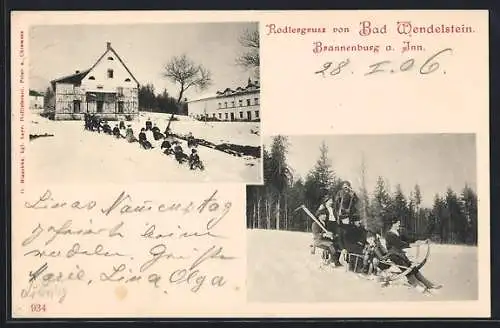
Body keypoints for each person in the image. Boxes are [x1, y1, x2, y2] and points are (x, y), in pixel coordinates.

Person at [384, 218, 442, 293]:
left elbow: (409, 239)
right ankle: (417, 285)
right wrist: (413, 245)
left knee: (413, 268)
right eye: (397, 223)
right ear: (393, 224)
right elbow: (400, 244)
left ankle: (429, 285)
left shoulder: (396, 233)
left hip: (400, 254)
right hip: (394, 255)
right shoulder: (389, 234)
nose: (399, 225)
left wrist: (421, 241)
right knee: (407, 269)